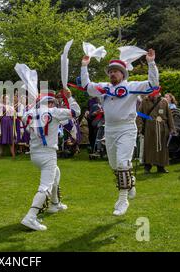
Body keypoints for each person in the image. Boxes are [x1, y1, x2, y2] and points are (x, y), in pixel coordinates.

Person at [81, 49, 159, 216]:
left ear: (123, 74)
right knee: (115, 166)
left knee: (123, 163)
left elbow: (153, 85)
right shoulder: (104, 88)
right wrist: (84, 66)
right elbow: (87, 86)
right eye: (110, 72)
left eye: (115, 71)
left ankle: (123, 200)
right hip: (109, 129)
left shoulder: (131, 87)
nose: (112, 74)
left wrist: (151, 63)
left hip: (127, 128)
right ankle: (130, 181)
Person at [21, 90, 72, 231]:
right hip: (48, 153)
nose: (54, 104)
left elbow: (25, 122)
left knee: (56, 173)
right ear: (48, 103)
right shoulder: (54, 112)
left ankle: (55, 204)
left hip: (34, 154)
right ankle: (31, 216)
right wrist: (70, 98)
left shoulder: (29, 113)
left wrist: (34, 105)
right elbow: (76, 112)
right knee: (45, 187)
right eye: (52, 102)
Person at [137, 90, 175, 174]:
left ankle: (161, 167)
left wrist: (172, 128)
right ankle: (147, 167)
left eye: (154, 94)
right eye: (151, 94)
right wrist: (140, 126)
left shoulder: (164, 101)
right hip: (149, 128)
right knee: (149, 147)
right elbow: (139, 114)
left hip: (162, 128)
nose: (153, 96)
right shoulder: (144, 101)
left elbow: (169, 116)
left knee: (162, 148)